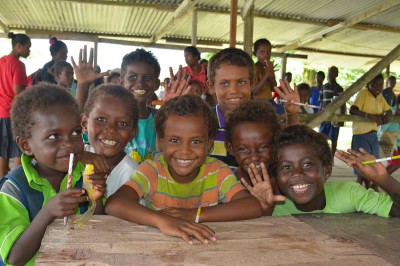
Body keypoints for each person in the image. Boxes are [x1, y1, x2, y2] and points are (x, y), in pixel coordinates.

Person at [105, 94, 263, 244]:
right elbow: (115, 203)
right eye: (174, 140)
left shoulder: (217, 170)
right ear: (161, 142)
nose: (185, 150)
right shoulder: (152, 170)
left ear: (209, 143)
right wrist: (162, 221)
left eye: (195, 142)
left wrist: (194, 215)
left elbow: (252, 205)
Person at [0, 84, 108, 265]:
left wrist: (95, 199)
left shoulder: (83, 175)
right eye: (53, 137)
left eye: (75, 133)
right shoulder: (13, 189)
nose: (69, 144)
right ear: (26, 145)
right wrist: (48, 213)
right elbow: (14, 258)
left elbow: (98, 231)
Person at [257, 124, 400, 217]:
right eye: (286, 167)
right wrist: (265, 211)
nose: (297, 173)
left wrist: (383, 179)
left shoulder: (350, 194)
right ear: (276, 175)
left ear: (327, 171)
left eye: (307, 165)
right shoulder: (275, 208)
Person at [206, 47, 299, 167]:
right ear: (211, 86)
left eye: (241, 82)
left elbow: (290, 148)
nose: (234, 90)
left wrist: (292, 114)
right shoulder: (205, 123)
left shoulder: (264, 122)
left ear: (253, 82)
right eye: (224, 83)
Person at [224, 100, 286, 214]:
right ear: (230, 148)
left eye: (263, 147)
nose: (253, 157)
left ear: (276, 144)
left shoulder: (286, 180)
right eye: (243, 149)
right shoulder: (226, 182)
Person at [82, 84, 139, 197]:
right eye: (101, 119)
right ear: (84, 124)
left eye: (122, 123)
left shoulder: (133, 175)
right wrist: (78, 157)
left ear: (133, 132)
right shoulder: (74, 158)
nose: (111, 130)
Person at [350, 74, 391, 190]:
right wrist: (369, 116)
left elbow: (387, 110)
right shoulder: (363, 93)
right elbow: (353, 110)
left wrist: (387, 115)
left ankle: (368, 189)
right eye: (375, 84)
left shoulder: (379, 96)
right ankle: (361, 189)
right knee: (362, 164)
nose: (378, 87)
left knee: (373, 163)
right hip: (361, 135)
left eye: (380, 85)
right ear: (369, 84)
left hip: (373, 135)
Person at [0, 32, 31, 178]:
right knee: (19, 150)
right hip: (13, 114)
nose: (29, 51)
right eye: (27, 47)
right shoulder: (18, 65)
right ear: (18, 46)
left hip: (1, 113)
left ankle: (2, 186)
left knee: (3, 153)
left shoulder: (1, 61)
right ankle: (18, 185)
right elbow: (19, 92)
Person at [319, 66, 345, 157]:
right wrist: (319, 115)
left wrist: (341, 119)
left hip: (335, 117)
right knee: (322, 138)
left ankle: (332, 157)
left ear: (337, 75)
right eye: (329, 72)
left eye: (333, 73)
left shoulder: (339, 88)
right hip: (324, 117)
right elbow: (321, 102)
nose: (330, 75)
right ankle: (322, 155)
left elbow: (342, 104)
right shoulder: (324, 87)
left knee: (334, 138)